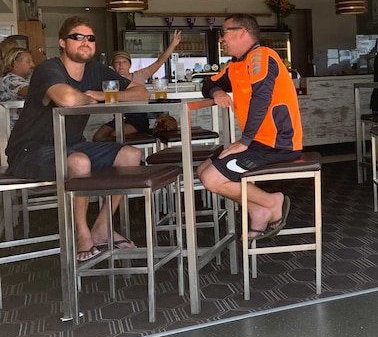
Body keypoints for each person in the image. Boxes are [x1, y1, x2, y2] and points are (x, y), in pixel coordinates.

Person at [5, 16, 149, 261]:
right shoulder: (48, 69)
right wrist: (95, 96)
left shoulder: (96, 70)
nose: (85, 42)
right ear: (62, 42)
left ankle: (102, 227)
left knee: (131, 154)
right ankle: (81, 232)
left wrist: (100, 94)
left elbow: (142, 94)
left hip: (71, 143)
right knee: (80, 161)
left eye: (90, 38)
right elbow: (67, 99)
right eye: (77, 37)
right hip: (29, 149)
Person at [198, 14, 304, 241]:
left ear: (242, 33)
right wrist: (216, 91)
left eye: (224, 32)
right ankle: (258, 209)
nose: (221, 39)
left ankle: (272, 202)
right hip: (258, 143)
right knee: (203, 171)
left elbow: (261, 99)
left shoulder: (261, 57)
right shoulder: (237, 65)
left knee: (212, 179)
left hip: (278, 143)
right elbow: (208, 82)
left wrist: (243, 141)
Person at [93, 29, 182, 141]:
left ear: (130, 64)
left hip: (138, 118)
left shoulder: (138, 76)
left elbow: (160, 61)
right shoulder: (110, 82)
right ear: (113, 66)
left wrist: (173, 44)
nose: (121, 65)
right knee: (98, 137)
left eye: (124, 62)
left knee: (115, 134)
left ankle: (122, 157)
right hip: (119, 117)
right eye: (117, 62)